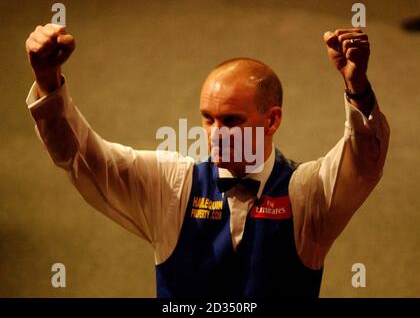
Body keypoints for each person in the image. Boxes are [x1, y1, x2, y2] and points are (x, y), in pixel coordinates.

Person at [25, 24, 389, 297]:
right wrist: (47, 80)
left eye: (232, 120)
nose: (216, 133)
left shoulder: (307, 193)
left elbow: (364, 163)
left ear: (273, 119)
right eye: (207, 118)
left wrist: (358, 89)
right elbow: (81, 156)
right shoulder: (171, 186)